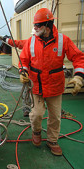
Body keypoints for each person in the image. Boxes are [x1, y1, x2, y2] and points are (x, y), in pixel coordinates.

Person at [18, 8, 84, 156]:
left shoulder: (63, 40)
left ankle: (52, 140)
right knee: (36, 114)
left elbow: (78, 57)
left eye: (37, 25)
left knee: (55, 116)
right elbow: (24, 60)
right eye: (34, 25)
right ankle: (36, 132)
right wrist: (23, 71)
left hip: (55, 86)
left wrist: (79, 76)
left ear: (47, 25)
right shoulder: (31, 41)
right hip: (37, 85)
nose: (34, 28)